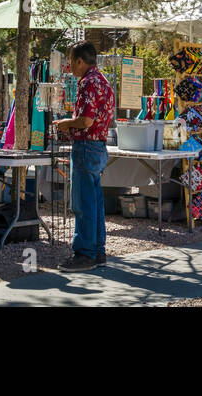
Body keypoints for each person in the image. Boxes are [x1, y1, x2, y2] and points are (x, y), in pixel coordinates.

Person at [53, 41, 116, 271]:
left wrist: (65, 124)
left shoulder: (88, 82)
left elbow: (86, 120)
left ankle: (85, 253)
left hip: (86, 145)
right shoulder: (104, 81)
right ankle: (97, 250)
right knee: (95, 202)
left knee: (83, 202)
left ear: (80, 61)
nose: (70, 67)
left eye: (71, 62)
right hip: (98, 145)